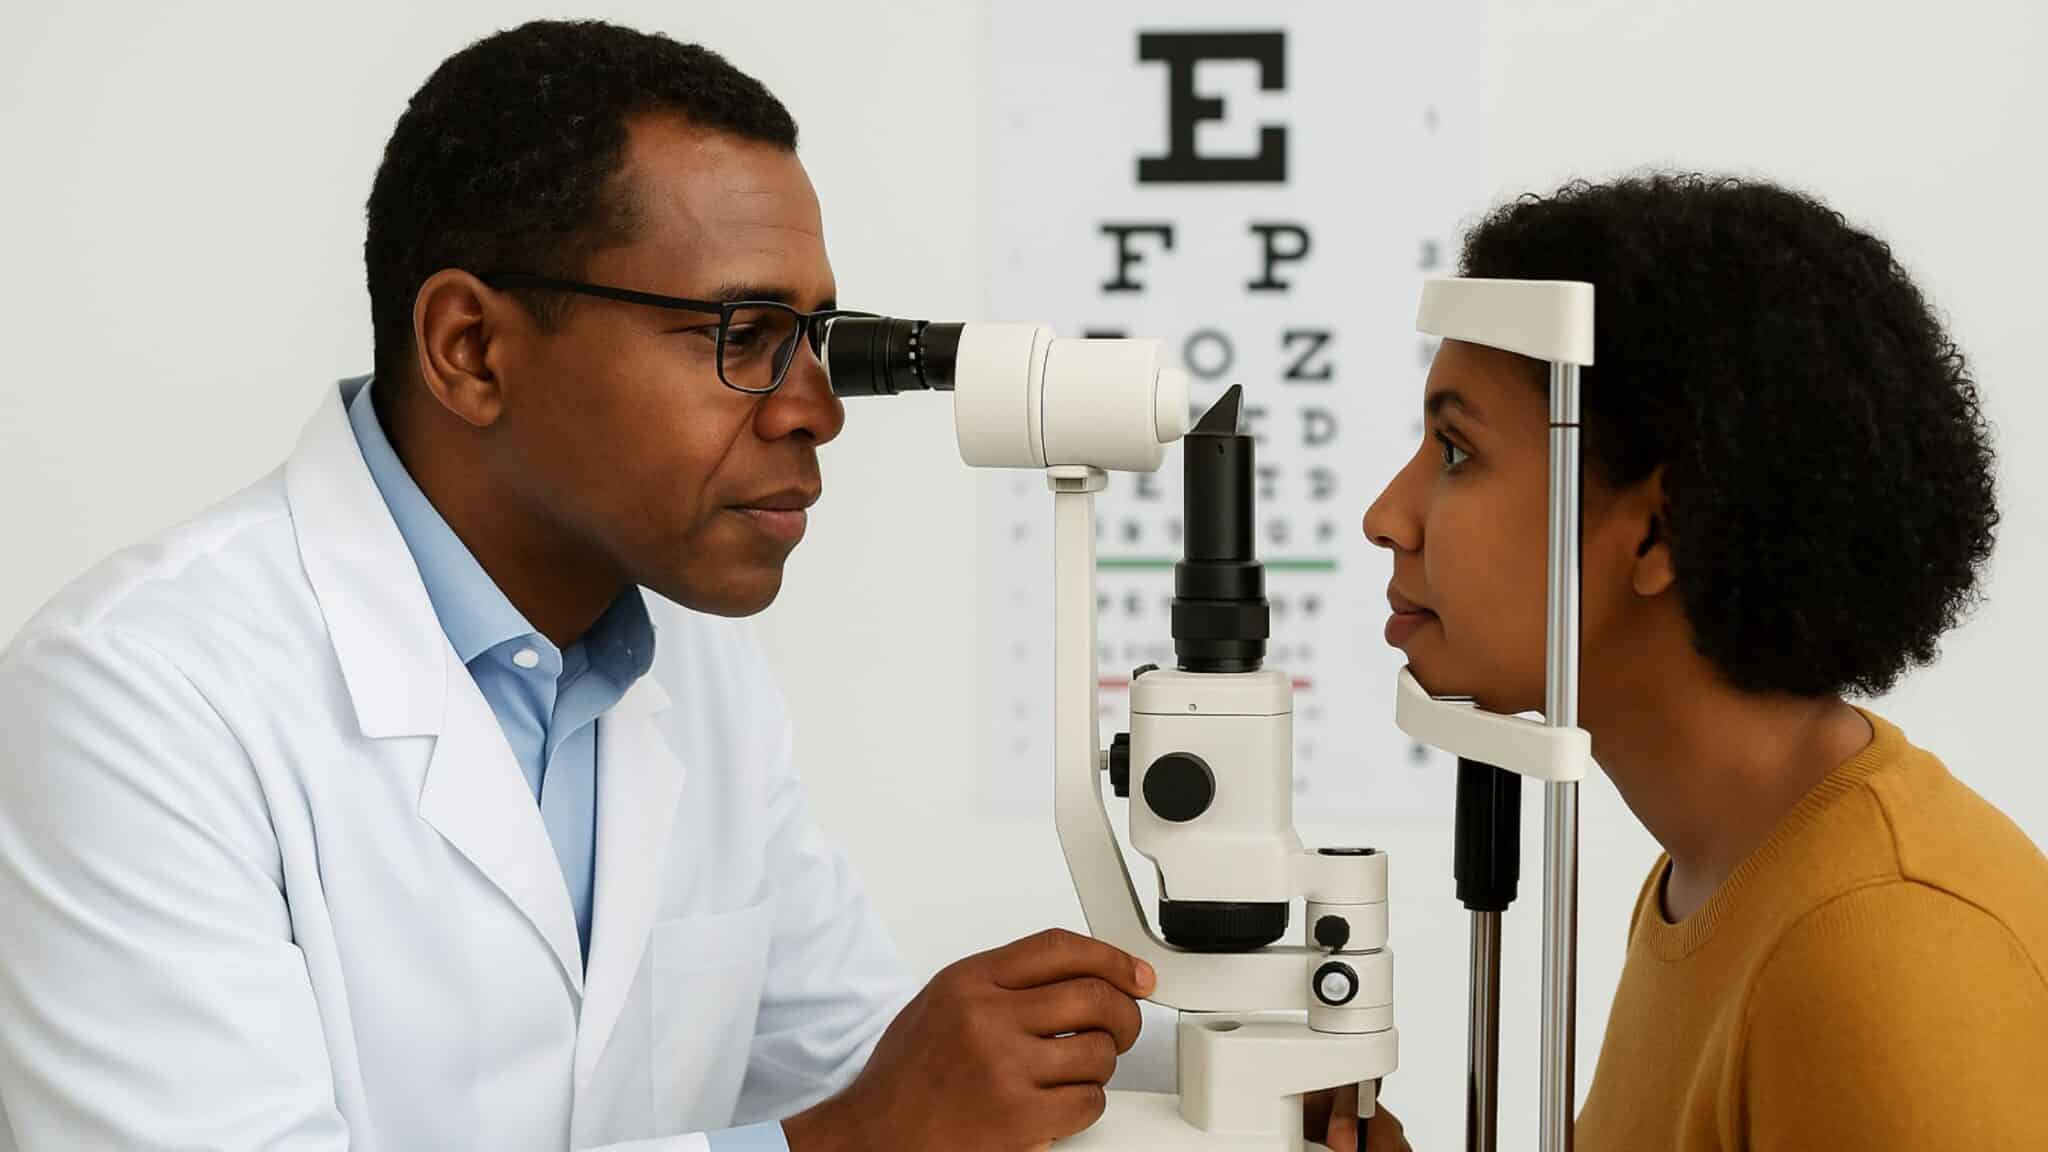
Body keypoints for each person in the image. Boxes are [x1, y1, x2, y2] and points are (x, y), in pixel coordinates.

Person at [0, 20, 1156, 1151]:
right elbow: (863, 1125)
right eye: (743, 333)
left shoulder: (697, 678)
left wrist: (1231, 1072)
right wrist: (834, 1148)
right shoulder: (135, 696)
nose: (817, 409)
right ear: (471, 348)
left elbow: (873, 1080)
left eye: (815, 337)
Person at [1355, 173, 2047, 1149]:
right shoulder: (1721, 872)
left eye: (1456, 450)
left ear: (1658, 529)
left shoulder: (1879, 946)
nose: (1386, 516)